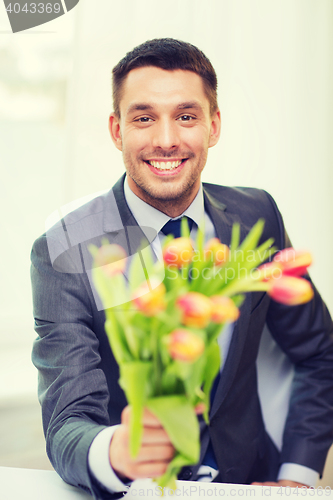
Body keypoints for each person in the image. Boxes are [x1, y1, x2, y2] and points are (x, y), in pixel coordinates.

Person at [31, 38, 333, 500]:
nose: (166, 139)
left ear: (213, 126)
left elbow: (319, 354)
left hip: (251, 482)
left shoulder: (257, 218)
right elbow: (67, 424)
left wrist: (298, 476)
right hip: (137, 491)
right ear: (117, 130)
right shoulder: (66, 250)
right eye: (144, 117)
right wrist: (115, 451)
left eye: (186, 116)